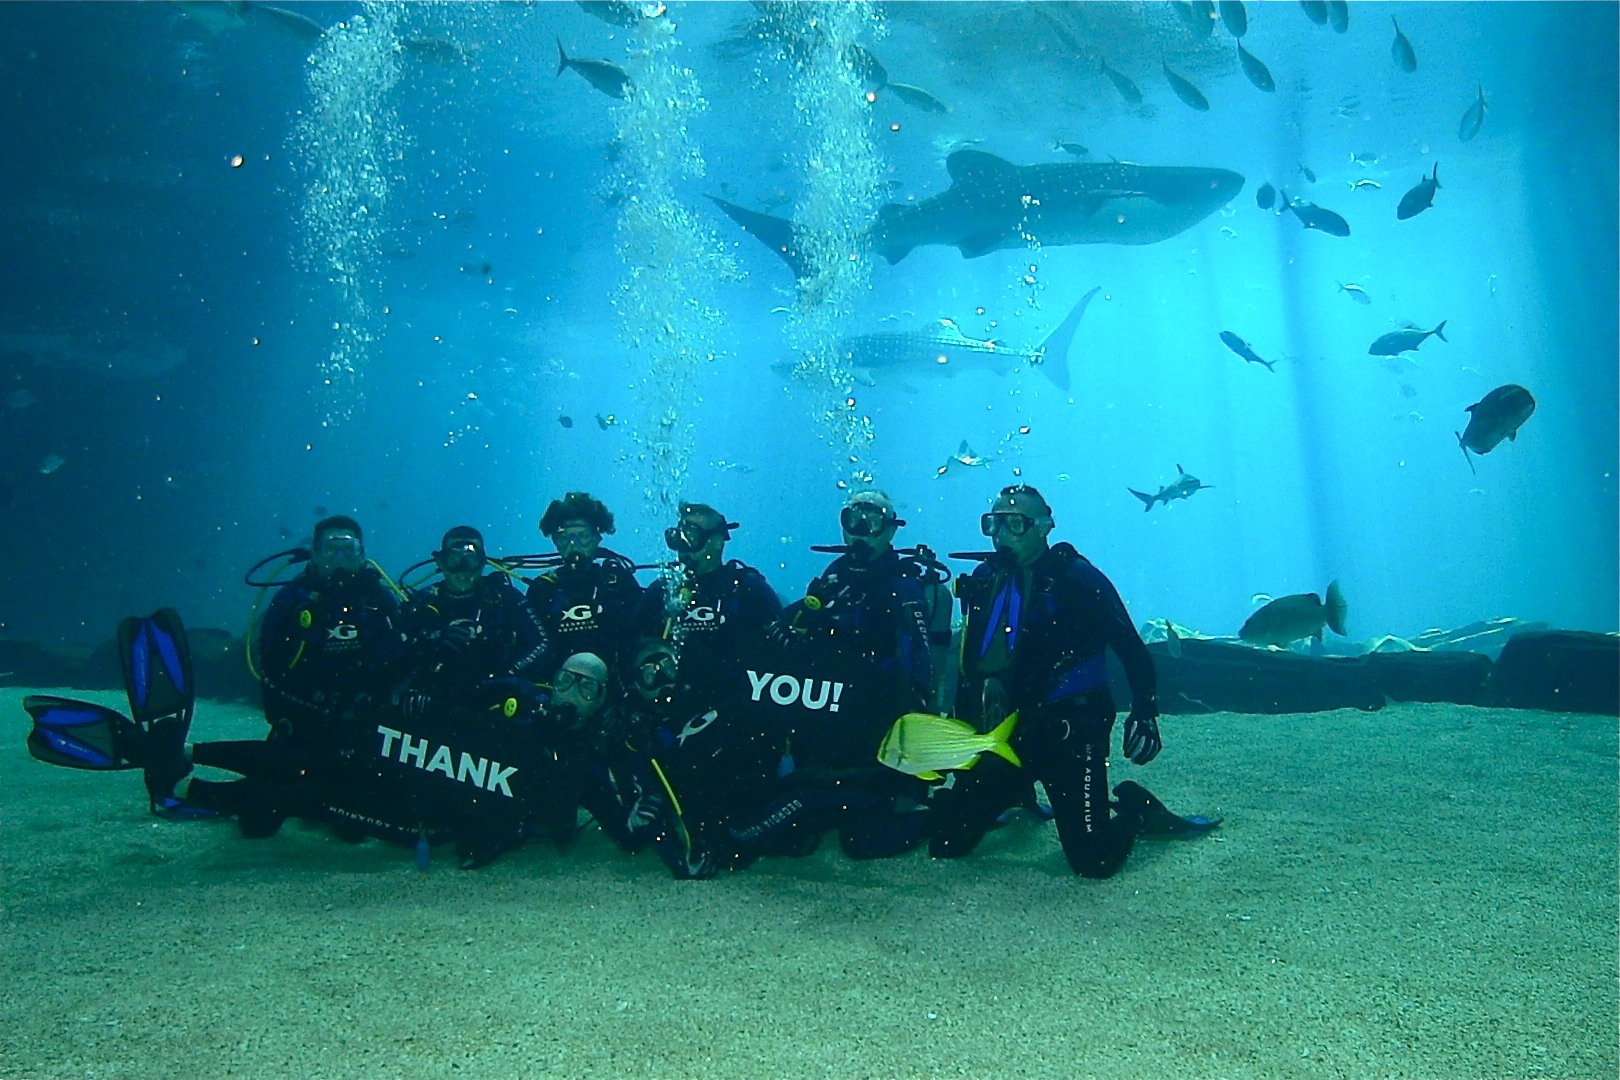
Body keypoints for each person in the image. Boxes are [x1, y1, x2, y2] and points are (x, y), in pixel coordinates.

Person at [932, 484, 1217, 878]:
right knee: (947, 843)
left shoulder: (1078, 579)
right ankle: (1018, 791)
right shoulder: (986, 579)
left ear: (1044, 527)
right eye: (993, 523)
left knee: (1093, 860)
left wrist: (1145, 710)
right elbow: (974, 664)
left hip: (1068, 734)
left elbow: (1131, 648)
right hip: (1006, 735)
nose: (1001, 535)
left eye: (1015, 523)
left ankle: (1135, 812)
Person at [628, 502, 782, 688]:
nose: (682, 546)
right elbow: (631, 645)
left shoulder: (746, 589)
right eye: (678, 537)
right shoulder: (662, 591)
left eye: (691, 536)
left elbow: (778, 653)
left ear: (717, 542)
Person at [400, 526, 549, 711]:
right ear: (440, 562)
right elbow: (395, 653)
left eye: (472, 560)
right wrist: (431, 641)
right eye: (455, 560)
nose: (463, 570)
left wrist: (506, 675)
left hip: (493, 701)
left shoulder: (504, 597)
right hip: (431, 700)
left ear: (483, 562)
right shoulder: (422, 603)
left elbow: (541, 642)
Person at [526, 492, 643, 677]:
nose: (574, 545)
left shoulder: (618, 581)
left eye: (583, 536)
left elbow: (642, 635)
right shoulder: (542, 589)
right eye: (564, 538)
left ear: (597, 538)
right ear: (556, 543)